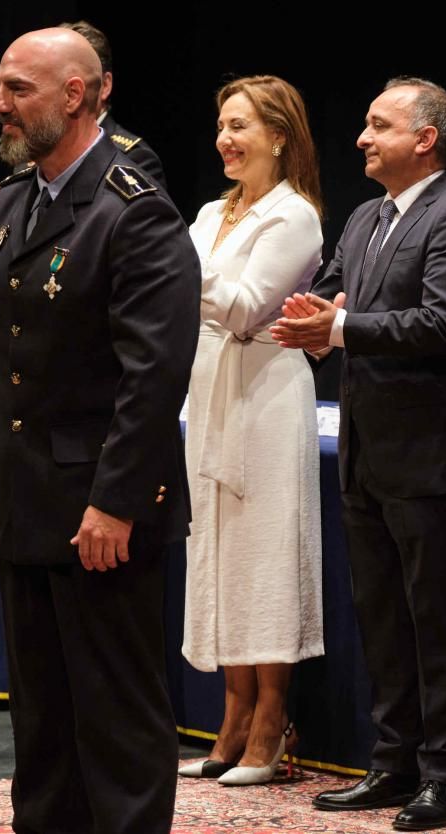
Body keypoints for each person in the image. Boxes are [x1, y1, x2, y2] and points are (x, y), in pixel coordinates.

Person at [0, 27, 198, 834]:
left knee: (117, 719)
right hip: (26, 499)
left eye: (18, 88)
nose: (0, 104)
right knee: (43, 721)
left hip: (103, 511)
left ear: (75, 94)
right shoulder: (19, 200)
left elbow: (154, 375)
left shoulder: (135, 209)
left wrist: (117, 501)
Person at [270, 77, 446, 831]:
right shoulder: (368, 216)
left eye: (380, 125)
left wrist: (336, 330)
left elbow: (443, 325)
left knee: (436, 625)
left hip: (432, 460)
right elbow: (336, 293)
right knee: (382, 620)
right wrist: (312, 313)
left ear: (424, 139)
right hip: (367, 454)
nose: (362, 138)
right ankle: (393, 762)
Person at [174, 75, 324, 786]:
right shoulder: (209, 213)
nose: (225, 140)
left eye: (240, 126)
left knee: (265, 554)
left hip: (265, 392)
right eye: (222, 125)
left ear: (278, 136)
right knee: (221, 555)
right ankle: (231, 713)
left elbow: (241, 308)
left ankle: (272, 715)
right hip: (209, 390)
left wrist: (173, 267)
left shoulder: (293, 217)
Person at [0, 19, 167, 270]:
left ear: (93, 87)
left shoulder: (131, 160)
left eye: (18, 88)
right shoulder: (32, 153)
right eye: (0, 87)